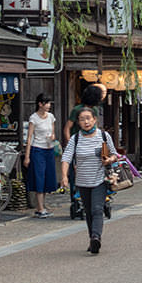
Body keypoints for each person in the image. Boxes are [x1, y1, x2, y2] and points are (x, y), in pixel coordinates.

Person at [61, 107, 118, 254]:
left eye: (88, 118)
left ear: (94, 120)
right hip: (82, 181)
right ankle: (92, 239)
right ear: (78, 122)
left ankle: (96, 237)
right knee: (88, 211)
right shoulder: (76, 138)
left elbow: (114, 154)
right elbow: (66, 158)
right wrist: (64, 176)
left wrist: (109, 160)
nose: (86, 122)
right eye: (82, 119)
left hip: (100, 179)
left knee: (96, 209)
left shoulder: (104, 136)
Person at [23, 94, 59, 217]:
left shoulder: (51, 117)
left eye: (49, 103)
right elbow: (29, 137)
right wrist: (27, 156)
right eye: (47, 103)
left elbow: (53, 133)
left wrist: (52, 138)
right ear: (40, 104)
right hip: (37, 149)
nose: (49, 106)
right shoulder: (34, 118)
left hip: (49, 149)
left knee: (48, 176)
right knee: (39, 177)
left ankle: (41, 205)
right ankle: (40, 207)